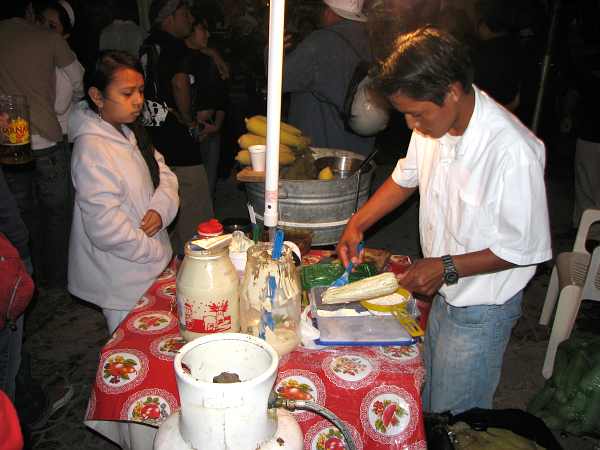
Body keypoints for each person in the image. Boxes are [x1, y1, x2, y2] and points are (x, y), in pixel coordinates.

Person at [337, 27, 552, 414]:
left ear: (452, 91)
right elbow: (406, 178)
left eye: (416, 113)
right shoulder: (433, 125)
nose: (411, 124)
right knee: (432, 400)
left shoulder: (512, 151)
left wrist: (447, 266)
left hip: (481, 310)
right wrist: (357, 223)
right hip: (446, 297)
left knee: (456, 418)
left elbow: (524, 249)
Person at [68, 50, 179, 334]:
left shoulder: (129, 132)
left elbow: (163, 174)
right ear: (97, 96)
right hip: (122, 278)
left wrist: (160, 209)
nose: (139, 100)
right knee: (131, 343)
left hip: (149, 265)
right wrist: (153, 251)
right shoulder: (92, 149)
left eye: (140, 91)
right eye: (128, 93)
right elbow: (105, 228)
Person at [0, 3, 82, 290]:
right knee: (57, 215)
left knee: (21, 215)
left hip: (10, 141)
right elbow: (79, 81)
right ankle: (57, 280)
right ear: (29, 10)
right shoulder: (46, 39)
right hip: (47, 137)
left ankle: (26, 277)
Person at [142, 0, 213, 255]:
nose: (190, 18)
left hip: (153, 137)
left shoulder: (148, 44)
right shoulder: (174, 46)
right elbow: (180, 84)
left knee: (165, 207)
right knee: (195, 214)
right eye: (185, 13)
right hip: (178, 139)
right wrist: (188, 119)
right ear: (168, 17)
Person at [281, 0, 375, 156]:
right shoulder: (372, 39)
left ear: (330, 11)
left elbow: (280, 80)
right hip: (361, 150)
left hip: (324, 151)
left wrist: (271, 51)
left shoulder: (320, 41)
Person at [185, 14, 229, 197]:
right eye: (202, 29)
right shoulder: (179, 58)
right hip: (187, 130)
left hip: (210, 128)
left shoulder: (209, 58)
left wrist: (217, 124)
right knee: (190, 189)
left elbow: (222, 94)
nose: (207, 34)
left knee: (208, 186)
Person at [37, 0, 85, 141]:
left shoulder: (66, 61)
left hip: (59, 137)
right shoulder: (35, 53)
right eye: (41, 21)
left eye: (52, 26)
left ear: (65, 35)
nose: (43, 28)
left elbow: (59, 105)